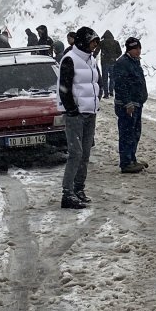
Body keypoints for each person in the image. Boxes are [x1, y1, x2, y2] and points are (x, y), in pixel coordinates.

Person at [58, 26, 102, 209]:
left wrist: (97, 99)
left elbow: (95, 82)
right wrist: (72, 109)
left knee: (84, 154)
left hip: (90, 113)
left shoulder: (90, 60)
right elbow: (64, 89)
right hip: (75, 115)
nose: (94, 46)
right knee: (75, 154)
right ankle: (67, 194)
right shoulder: (70, 59)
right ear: (83, 41)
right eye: (92, 42)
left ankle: (79, 189)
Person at [111, 37, 148, 173]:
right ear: (129, 50)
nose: (138, 51)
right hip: (127, 106)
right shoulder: (122, 63)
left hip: (136, 103)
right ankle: (126, 163)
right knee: (127, 133)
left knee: (135, 133)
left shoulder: (134, 62)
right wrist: (127, 103)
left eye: (139, 48)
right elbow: (120, 85)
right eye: (135, 49)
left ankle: (132, 158)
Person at [98, 30, 120, 98]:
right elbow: (120, 52)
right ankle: (111, 91)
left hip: (104, 62)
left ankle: (106, 94)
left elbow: (97, 50)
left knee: (105, 78)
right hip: (113, 62)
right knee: (112, 77)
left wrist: (92, 56)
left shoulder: (102, 42)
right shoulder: (116, 42)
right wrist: (114, 57)